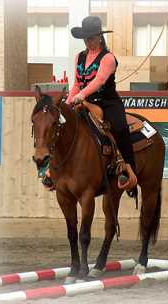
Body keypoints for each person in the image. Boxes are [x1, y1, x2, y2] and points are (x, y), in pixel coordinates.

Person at [66, 16, 137, 191]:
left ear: (99, 37)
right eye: (85, 38)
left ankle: (128, 169)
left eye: (91, 38)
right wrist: (68, 103)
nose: (88, 42)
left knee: (120, 128)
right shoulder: (79, 57)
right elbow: (77, 83)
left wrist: (81, 95)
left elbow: (99, 81)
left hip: (107, 102)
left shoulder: (108, 58)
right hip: (85, 100)